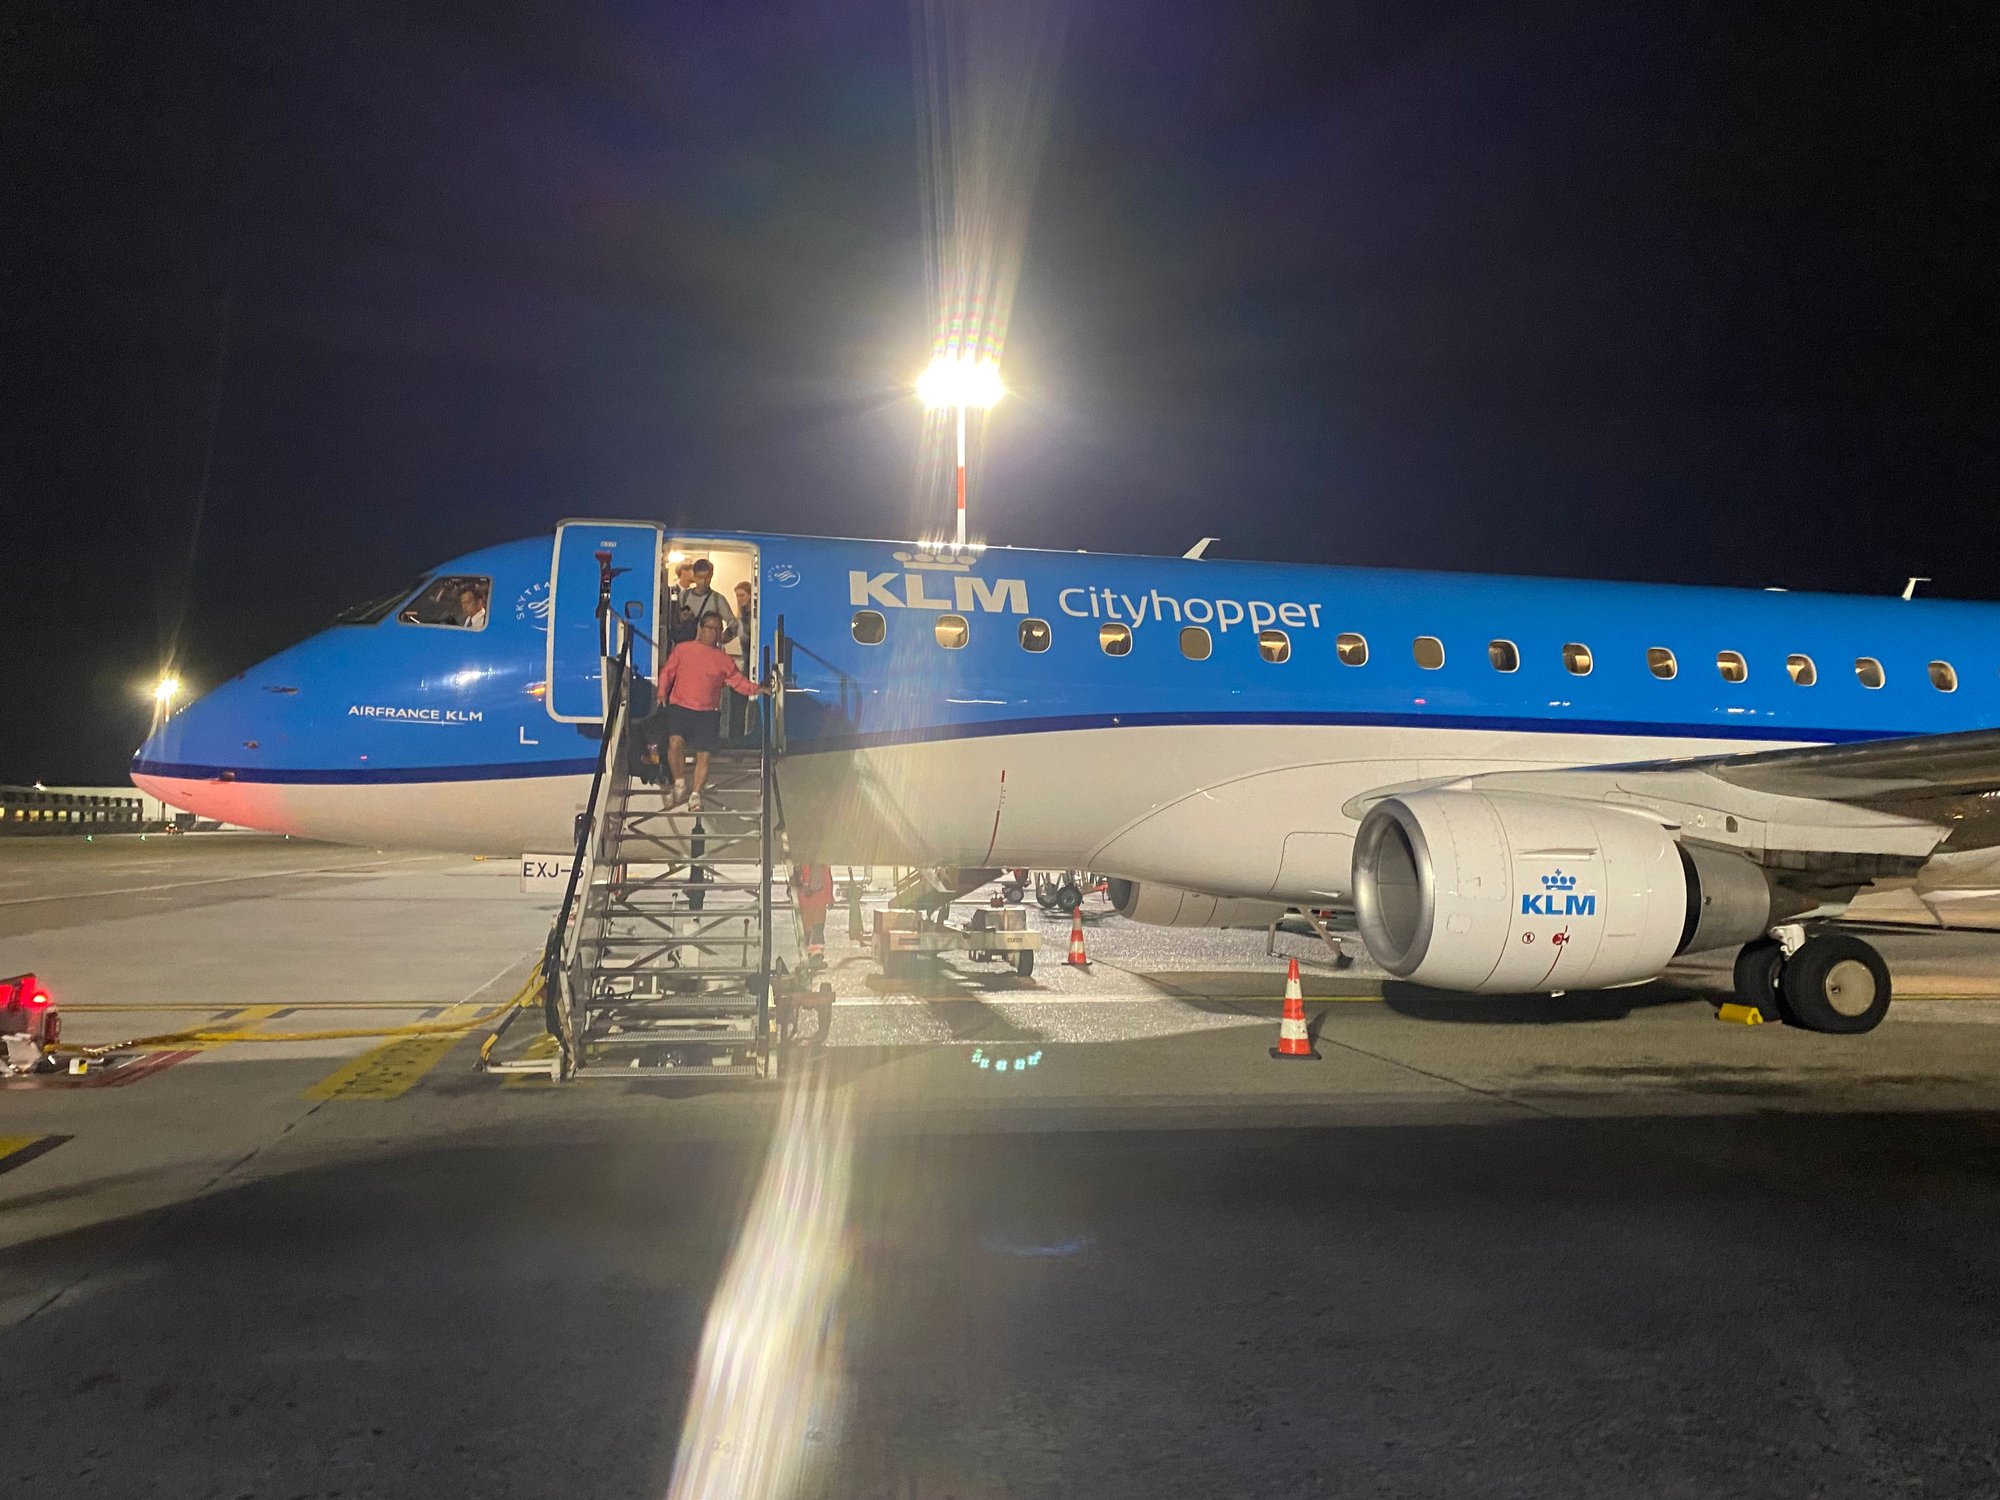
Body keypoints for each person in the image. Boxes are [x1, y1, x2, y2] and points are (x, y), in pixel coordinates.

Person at [658, 611, 768, 811]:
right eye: (711, 628)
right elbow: (667, 672)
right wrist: (661, 693)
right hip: (681, 706)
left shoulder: (724, 659)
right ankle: (679, 782)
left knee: (704, 755)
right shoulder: (683, 650)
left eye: (718, 630)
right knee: (674, 744)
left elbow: (738, 682)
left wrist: (757, 689)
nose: (715, 633)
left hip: (708, 712)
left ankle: (695, 795)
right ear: (700, 629)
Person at [673, 558, 738, 646]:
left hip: (708, 648)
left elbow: (734, 623)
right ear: (694, 576)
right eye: (700, 577)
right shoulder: (683, 596)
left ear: (711, 576)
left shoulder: (717, 599)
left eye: (707, 578)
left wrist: (723, 636)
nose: (703, 582)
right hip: (686, 646)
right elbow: (674, 623)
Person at [793, 861, 834, 968]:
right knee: (813, 929)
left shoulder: (800, 863)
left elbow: (826, 878)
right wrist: (829, 898)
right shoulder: (821, 863)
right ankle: (813, 955)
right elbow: (827, 879)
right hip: (815, 902)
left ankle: (810, 955)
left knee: (810, 930)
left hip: (809, 902)